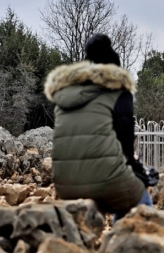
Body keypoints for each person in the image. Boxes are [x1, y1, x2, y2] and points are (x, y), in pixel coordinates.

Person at [44, 34, 152, 218]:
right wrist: (138, 171)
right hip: (106, 182)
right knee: (140, 201)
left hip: (65, 186)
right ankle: (124, 243)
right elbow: (125, 144)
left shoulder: (63, 96)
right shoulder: (118, 92)